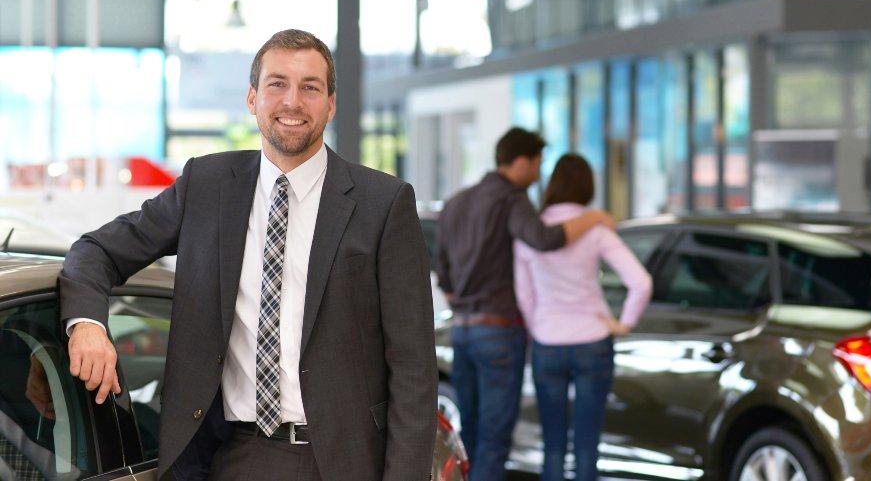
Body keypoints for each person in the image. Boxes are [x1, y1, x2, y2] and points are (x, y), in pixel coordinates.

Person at [59, 29, 437, 481]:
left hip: (345, 459)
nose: (292, 101)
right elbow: (97, 250)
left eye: (310, 87)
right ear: (252, 97)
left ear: (331, 103)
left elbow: (414, 367)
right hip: (234, 455)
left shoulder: (383, 202)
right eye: (277, 84)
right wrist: (87, 324)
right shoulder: (207, 184)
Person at [435, 128, 614, 481]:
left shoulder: (456, 202)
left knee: (467, 438)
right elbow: (543, 239)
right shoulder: (512, 199)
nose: (538, 174)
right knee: (494, 441)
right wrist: (593, 218)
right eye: (536, 164)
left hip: (462, 333)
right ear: (520, 162)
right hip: (500, 334)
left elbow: (444, 277)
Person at [514, 153, 652, 481]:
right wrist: (625, 323)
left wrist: (540, 326)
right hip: (593, 341)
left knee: (553, 447)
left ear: (552, 185)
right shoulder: (597, 229)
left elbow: (524, 295)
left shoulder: (531, 231)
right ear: (588, 186)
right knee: (587, 446)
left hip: (548, 340)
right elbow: (641, 282)